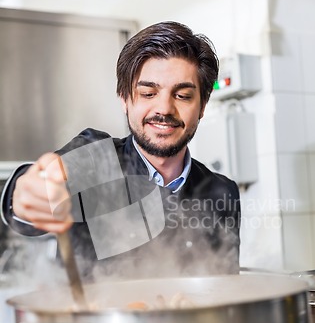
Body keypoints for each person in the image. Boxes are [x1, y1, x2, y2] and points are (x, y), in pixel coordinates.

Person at [1, 21, 241, 280]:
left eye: (182, 96)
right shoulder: (97, 159)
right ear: (124, 99)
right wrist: (28, 192)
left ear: (202, 106)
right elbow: (33, 194)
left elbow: (224, 288)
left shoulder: (221, 191)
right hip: (96, 320)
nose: (164, 109)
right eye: (148, 93)